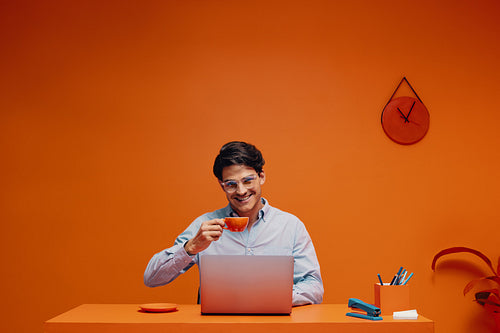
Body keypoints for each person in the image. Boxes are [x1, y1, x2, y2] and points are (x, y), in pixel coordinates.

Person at [144, 141, 323, 306]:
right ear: (222, 186)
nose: (241, 191)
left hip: (273, 326)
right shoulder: (205, 225)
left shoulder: (291, 226)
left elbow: (314, 286)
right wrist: (190, 248)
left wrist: (274, 297)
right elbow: (151, 278)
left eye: (248, 180)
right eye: (231, 184)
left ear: (261, 177)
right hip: (215, 328)